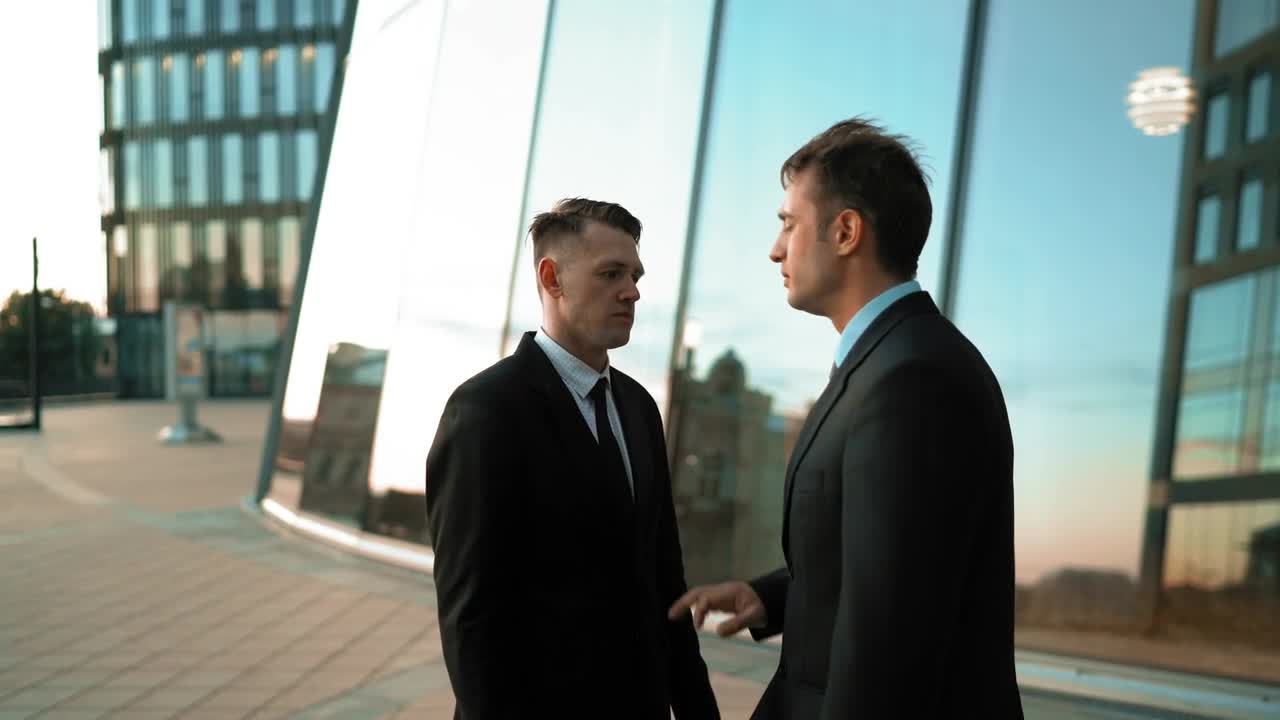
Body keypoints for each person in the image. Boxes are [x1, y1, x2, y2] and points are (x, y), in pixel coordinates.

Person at [669, 118, 1024, 718]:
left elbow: (890, 646)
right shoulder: (889, 361)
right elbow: (883, 560)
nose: (776, 248)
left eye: (788, 223)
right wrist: (770, 596)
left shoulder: (913, 381)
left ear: (846, 231)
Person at [425, 198, 719, 720]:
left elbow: (664, 580)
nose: (631, 291)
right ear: (552, 278)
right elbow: (471, 620)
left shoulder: (639, 407)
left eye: (634, 275)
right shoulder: (485, 411)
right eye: (611, 274)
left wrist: (698, 710)